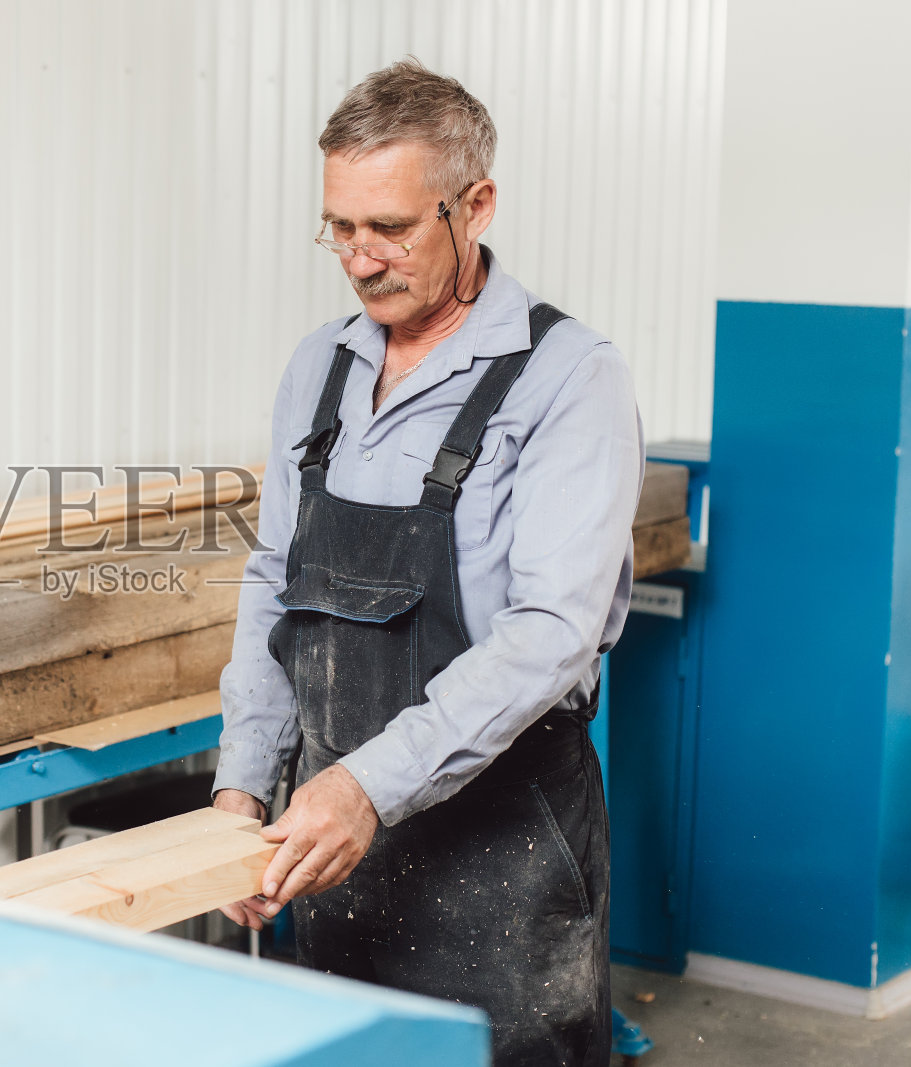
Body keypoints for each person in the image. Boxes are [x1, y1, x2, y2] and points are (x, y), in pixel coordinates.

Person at [211, 57, 643, 1066]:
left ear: (474, 203)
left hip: (502, 851)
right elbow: (275, 581)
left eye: (392, 228)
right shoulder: (318, 365)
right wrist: (242, 786)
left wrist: (366, 784)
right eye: (340, 229)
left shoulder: (567, 377)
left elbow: (550, 631)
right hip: (332, 851)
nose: (362, 260)